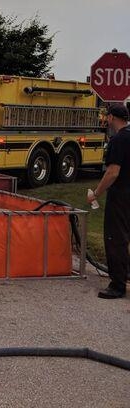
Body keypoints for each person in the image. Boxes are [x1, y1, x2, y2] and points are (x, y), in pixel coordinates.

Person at [87, 103, 130, 299]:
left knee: (115, 238)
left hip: (121, 195)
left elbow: (113, 172)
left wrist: (96, 193)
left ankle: (117, 285)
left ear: (112, 117)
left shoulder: (119, 140)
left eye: (107, 116)